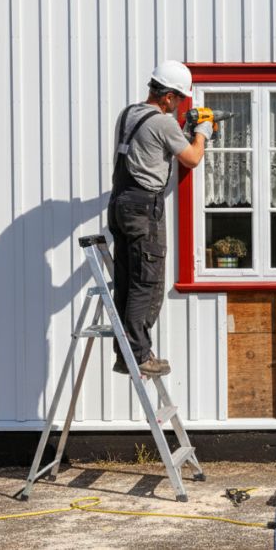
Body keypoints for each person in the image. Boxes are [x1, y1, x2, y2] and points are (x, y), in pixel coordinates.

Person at [108, 60, 213, 377]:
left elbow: (151, 147)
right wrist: (202, 133)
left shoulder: (128, 114)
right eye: (180, 98)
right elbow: (192, 159)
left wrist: (183, 132)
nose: (180, 104)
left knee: (127, 281)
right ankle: (138, 355)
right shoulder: (164, 123)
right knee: (148, 282)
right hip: (144, 210)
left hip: (120, 204)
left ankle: (126, 352)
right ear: (167, 97)